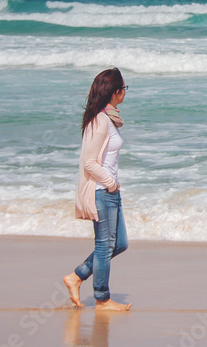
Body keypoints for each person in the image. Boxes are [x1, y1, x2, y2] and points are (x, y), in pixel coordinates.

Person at [63, 68, 132, 311]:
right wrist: (111, 183)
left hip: (111, 191)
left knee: (119, 243)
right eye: (124, 88)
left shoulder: (108, 118)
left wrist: (114, 185)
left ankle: (76, 276)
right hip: (102, 191)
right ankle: (102, 299)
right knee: (105, 245)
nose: (125, 92)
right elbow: (89, 162)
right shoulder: (100, 121)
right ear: (115, 91)